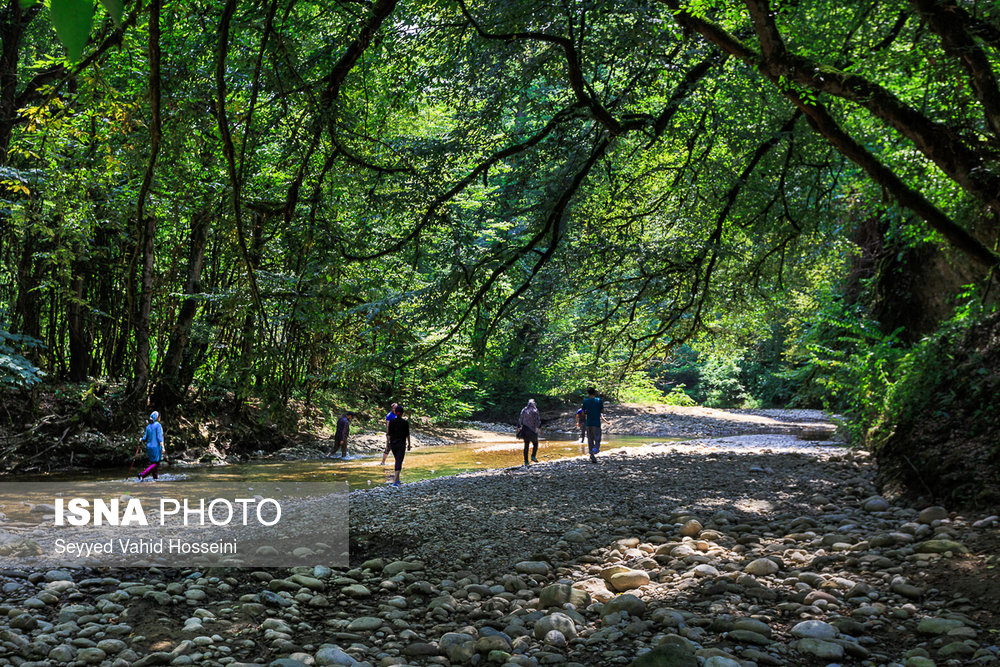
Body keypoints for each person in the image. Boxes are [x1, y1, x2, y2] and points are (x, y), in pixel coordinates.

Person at [582, 387, 609, 463]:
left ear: (588, 393)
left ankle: (591, 454)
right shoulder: (599, 400)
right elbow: (602, 411)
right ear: (594, 393)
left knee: (590, 439)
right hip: (596, 423)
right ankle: (595, 450)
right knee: (597, 438)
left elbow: (583, 413)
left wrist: (588, 412)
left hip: (588, 423)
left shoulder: (585, 401)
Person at [385, 405, 411, 486]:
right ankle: (395, 482)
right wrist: (409, 444)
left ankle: (398, 480)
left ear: (396, 413)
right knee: (399, 461)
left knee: (397, 459)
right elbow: (407, 434)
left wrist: (387, 445)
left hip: (393, 444)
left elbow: (389, 434)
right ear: (402, 413)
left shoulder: (392, 421)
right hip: (401, 444)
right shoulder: (405, 422)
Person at [139, 411, 165, 481]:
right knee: (156, 464)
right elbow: (160, 437)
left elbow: (144, 438)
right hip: (156, 447)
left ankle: (155, 478)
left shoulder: (148, 427)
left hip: (149, 447)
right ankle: (142, 474)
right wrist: (163, 447)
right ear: (157, 418)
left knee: (153, 464)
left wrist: (141, 439)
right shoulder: (158, 425)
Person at [518, 399, 542, 466]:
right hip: (533, 431)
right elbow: (538, 421)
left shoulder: (524, 410)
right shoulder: (535, 410)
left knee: (526, 446)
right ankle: (533, 456)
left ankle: (526, 461)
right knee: (535, 444)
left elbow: (520, 419)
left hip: (525, 430)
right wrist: (540, 428)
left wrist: (518, 427)